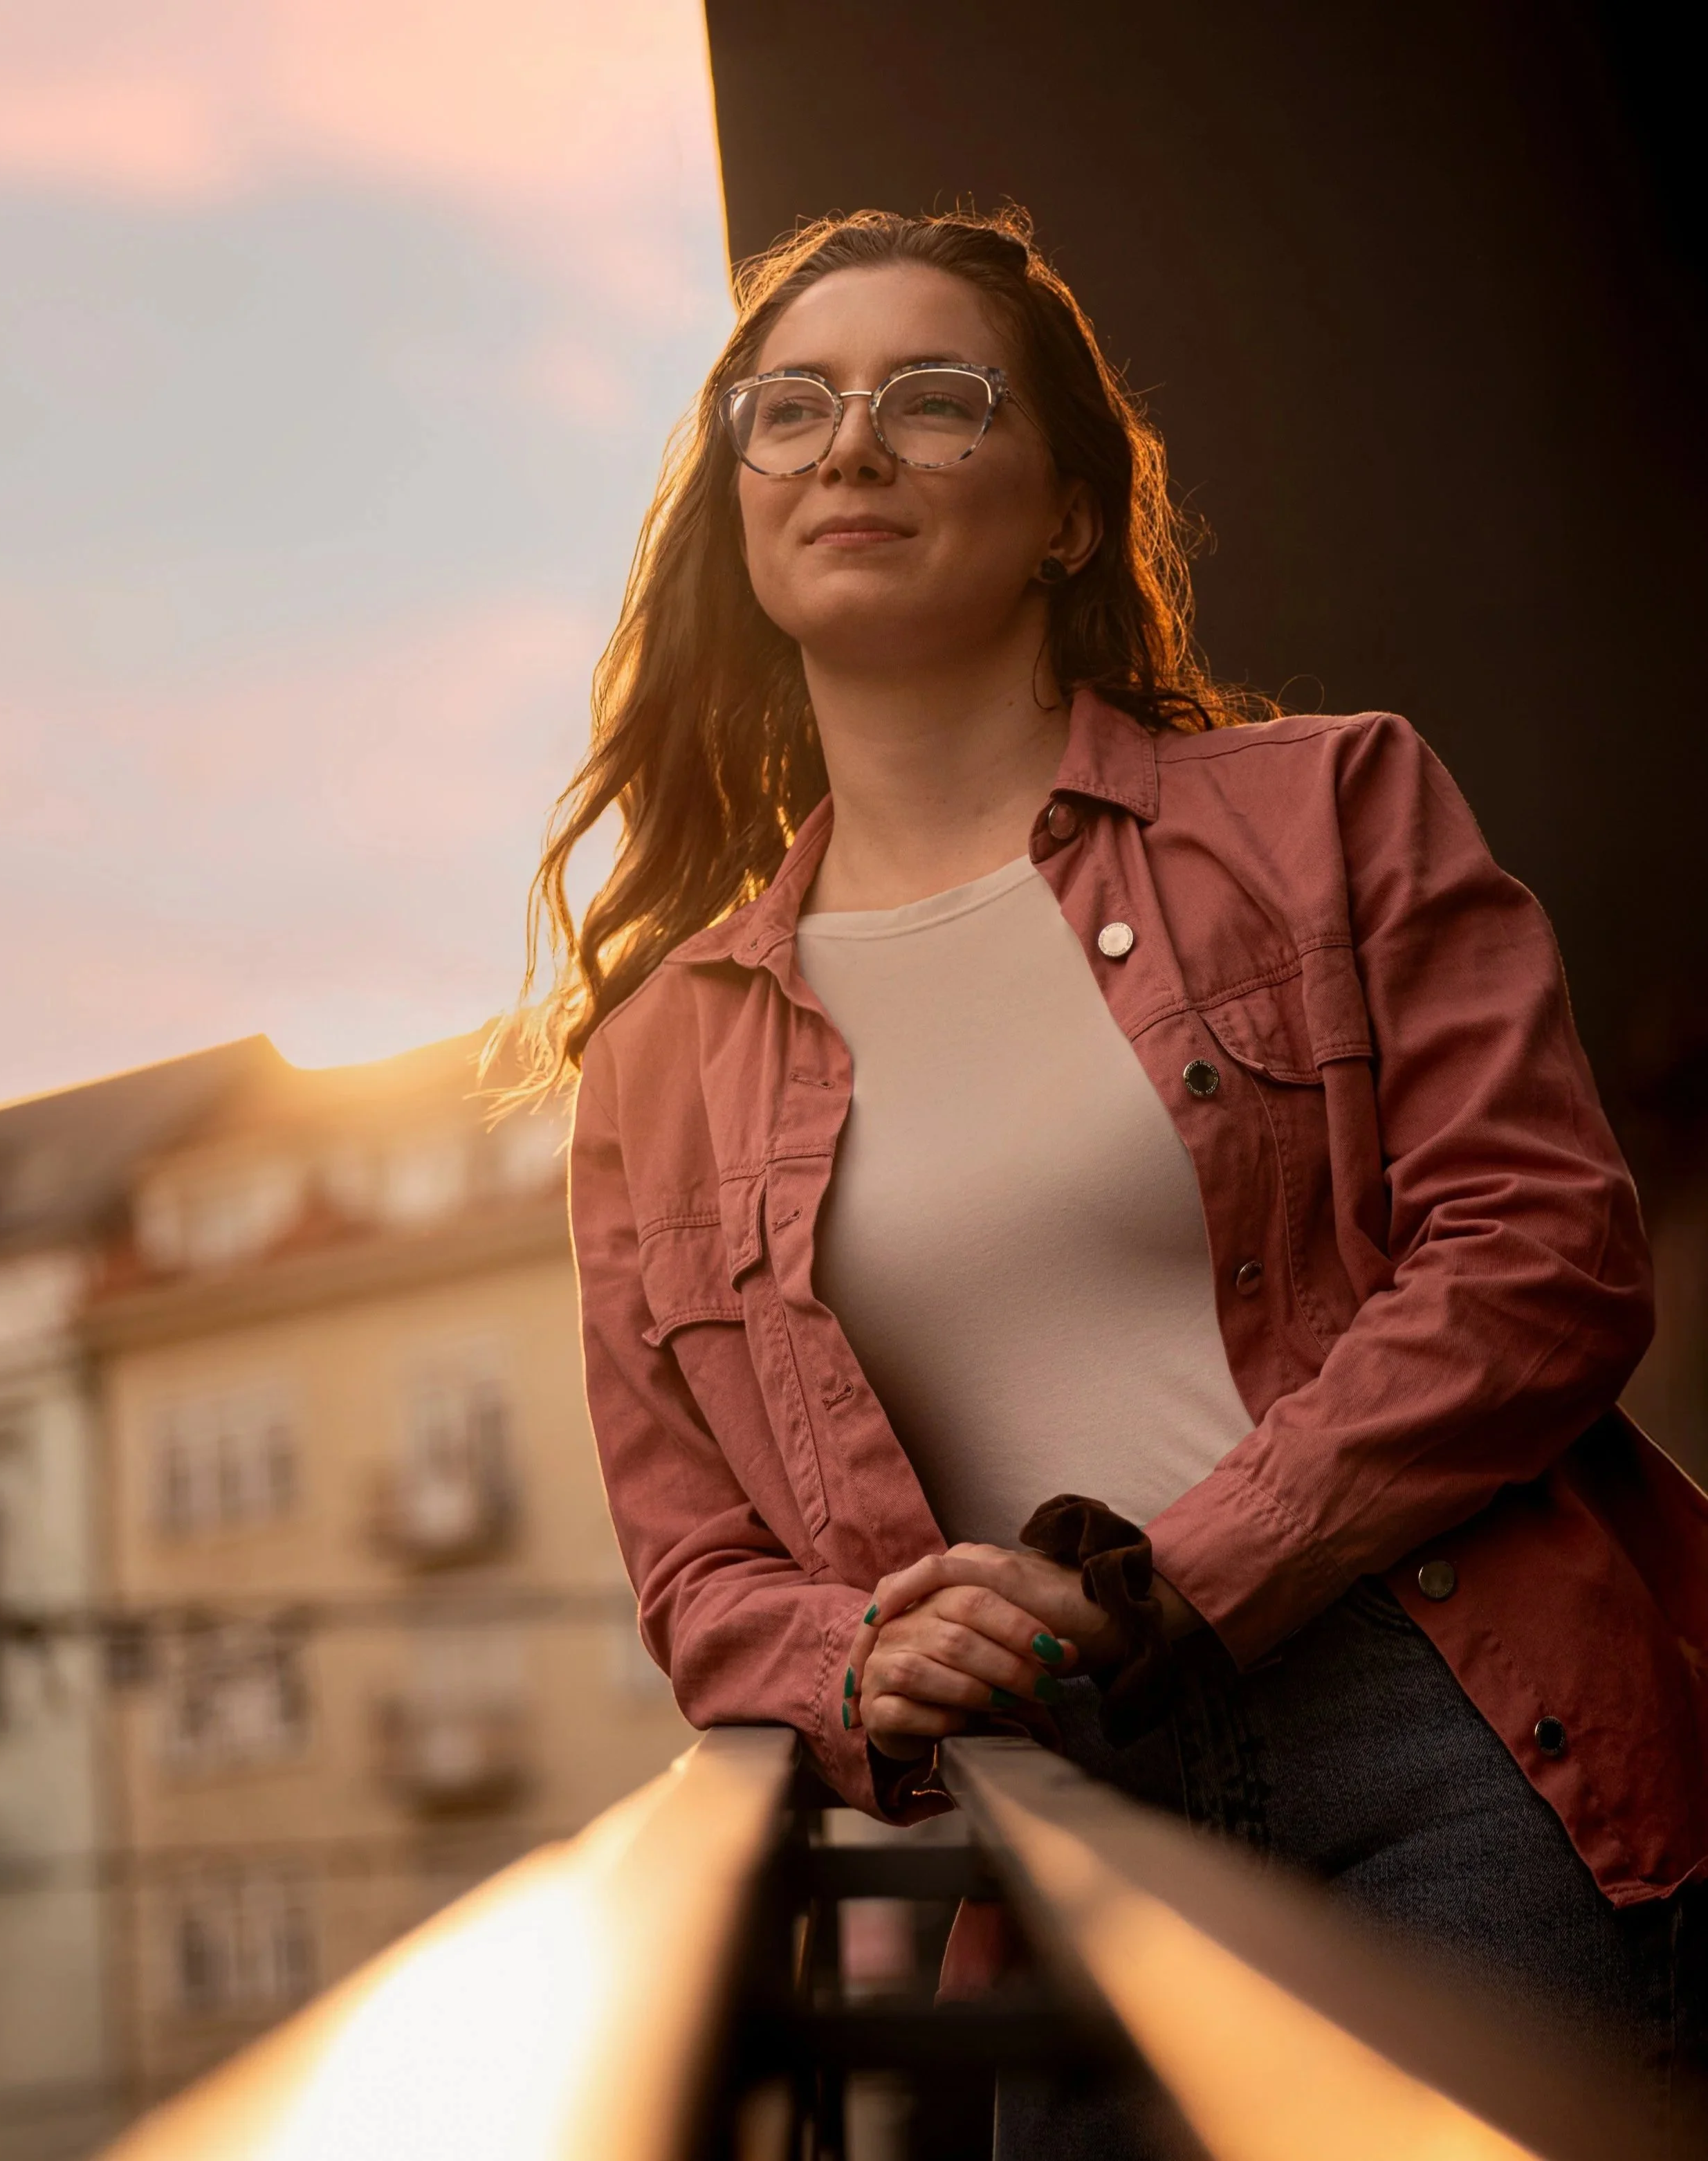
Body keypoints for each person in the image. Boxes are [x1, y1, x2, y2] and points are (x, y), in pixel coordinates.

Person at [515, 205, 1708, 2135]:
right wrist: (872, 1652)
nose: (849, 445)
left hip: (1455, 1731)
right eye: (789, 406)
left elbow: (1544, 1254)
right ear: (738, 506)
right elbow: (698, 1569)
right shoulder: (660, 1059)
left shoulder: (1332, 806)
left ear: (1070, 509)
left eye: (933, 395)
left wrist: (1169, 1576)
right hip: (1050, 1816)